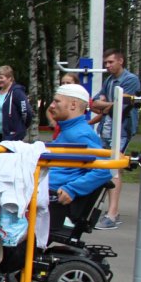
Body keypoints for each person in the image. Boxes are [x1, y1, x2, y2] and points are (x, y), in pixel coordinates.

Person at [91, 48, 141, 229]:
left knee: (113, 167)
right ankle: (110, 210)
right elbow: (95, 103)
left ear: (121, 61)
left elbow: (121, 106)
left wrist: (107, 105)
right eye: (106, 63)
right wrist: (107, 105)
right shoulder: (109, 80)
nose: (107, 66)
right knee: (109, 167)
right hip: (106, 129)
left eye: (111, 62)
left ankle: (112, 214)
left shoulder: (130, 80)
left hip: (121, 129)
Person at [47, 84, 113, 222]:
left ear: (73, 105)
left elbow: (105, 169)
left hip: (52, 200)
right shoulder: (70, 130)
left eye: (57, 101)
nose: (51, 106)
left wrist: (72, 189)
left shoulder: (79, 134)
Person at [0, 65, 31, 143]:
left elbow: (26, 112)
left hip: (12, 135)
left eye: (1, 78)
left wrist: (21, 127)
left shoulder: (17, 92)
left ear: (10, 78)